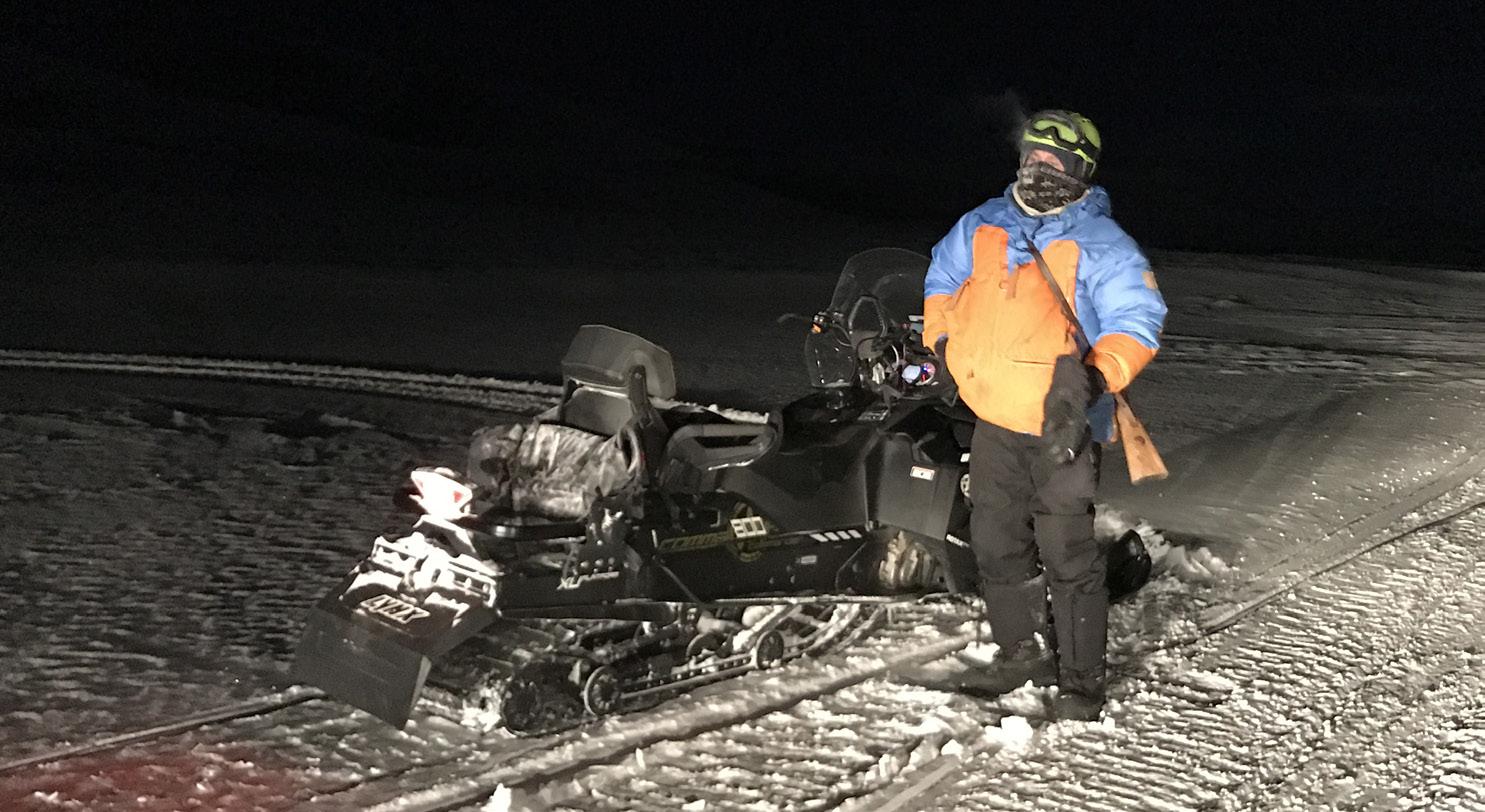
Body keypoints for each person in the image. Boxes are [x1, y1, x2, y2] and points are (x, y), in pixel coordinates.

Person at [922, 109, 1167, 720]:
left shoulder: (1103, 243)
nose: (1039, 170)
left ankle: (1081, 684)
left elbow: (1137, 323)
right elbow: (941, 282)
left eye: (1055, 163)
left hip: (1063, 425)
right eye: (1033, 158)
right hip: (993, 419)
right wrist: (944, 345)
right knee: (995, 542)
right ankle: (1021, 655)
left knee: (1067, 551)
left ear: (1081, 172)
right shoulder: (980, 223)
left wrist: (1090, 381)